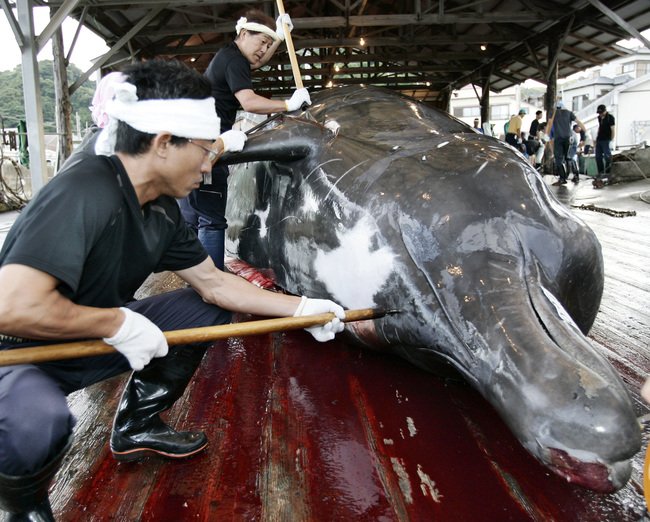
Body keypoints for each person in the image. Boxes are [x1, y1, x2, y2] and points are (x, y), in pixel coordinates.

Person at [0, 59, 345, 521]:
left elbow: (216, 285)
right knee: (37, 419)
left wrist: (304, 307)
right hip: (17, 354)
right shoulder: (83, 189)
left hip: (82, 340)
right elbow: (12, 307)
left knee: (200, 313)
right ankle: (22, 509)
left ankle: (136, 426)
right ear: (163, 143)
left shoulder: (161, 209)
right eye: (205, 150)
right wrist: (116, 322)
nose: (209, 165)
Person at [180, 9, 309, 270]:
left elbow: (257, 62)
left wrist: (280, 39)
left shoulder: (229, 56)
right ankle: (212, 282)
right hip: (208, 147)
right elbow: (248, 102)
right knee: (212, 219)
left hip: (194, 143)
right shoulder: (235, 60)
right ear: (244, 33)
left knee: (194, 216)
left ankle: (195, 279)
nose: (264, 50)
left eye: (269, 45)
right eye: (262, 42)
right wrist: (288, 104)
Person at [547, 101, 586, 186]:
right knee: (569, 157)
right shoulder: (569, 113)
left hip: (559, 138)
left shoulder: (553, 113)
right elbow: (578, 122)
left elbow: (550, 123)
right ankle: (576, 175)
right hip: (569, 138)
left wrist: (547, 133)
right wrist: (586, 132)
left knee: (559, 159)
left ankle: (562, 178)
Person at [593, 104, 615, 188]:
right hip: (600, 139)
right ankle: (601, 172)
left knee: (607, 157)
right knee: (598, 157)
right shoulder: (599, 118)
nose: (600, 114)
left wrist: (611, 140)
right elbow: (600, 127)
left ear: (605, 111)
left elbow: (613, 129)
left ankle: (607, 173)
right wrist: (596, 138)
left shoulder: (610, 118)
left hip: (606, 139)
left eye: (601, 112)